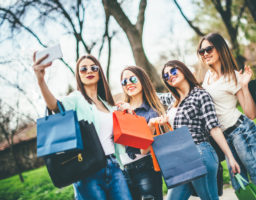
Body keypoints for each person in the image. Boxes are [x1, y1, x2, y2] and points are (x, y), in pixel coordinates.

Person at [32, 53, 132, 200]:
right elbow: (55, 106)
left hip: (114, 166)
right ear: (78, 75)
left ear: (99, 72)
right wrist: (41, 81)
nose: (89, 71)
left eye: (93, 67)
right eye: (83, 69)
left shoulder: (107, 104)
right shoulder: (76, 98)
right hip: (88, 170)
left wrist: (126, 109)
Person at [198, 32, 256, 200]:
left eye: (209, 49)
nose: (205, 53)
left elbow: (251, 114)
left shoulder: (232, 75)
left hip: (241, 131)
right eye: (201, 51)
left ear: (220, 49)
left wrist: (244, 86)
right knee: (238, 183)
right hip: (225, 137)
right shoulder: (207, 76)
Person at [159, 60, 240, 200]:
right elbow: (152, 96)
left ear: (183, 70)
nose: (170, 76)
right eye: (166, 76)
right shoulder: (173, 100)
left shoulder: (200, 95)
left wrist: (230, 157)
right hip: (181, 159)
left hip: (199, 152)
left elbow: (214, 128)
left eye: (173, 71)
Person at [116, 66, 165, 200]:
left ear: (142, 80)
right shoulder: (119, 110)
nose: (128, 84)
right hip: (123, 170)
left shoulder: (152, 112)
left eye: (132, 79)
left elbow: (144, 149)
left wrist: (131, 114)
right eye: (124, 82)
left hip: (145, 167)